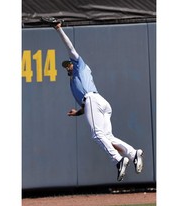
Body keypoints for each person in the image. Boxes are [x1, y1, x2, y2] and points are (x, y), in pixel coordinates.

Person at [52, 19, 143, 182]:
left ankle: (119, 160)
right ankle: (133, 153)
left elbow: (70, 48)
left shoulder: (80, 65)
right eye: (66, 66)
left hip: (93, 100)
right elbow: (85, 106)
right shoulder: (73, 83)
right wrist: (77, 112)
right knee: (107, 137)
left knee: (96, 134)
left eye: (69, 65)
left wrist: (59, 30)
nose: (68, 66)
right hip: (99, 103)